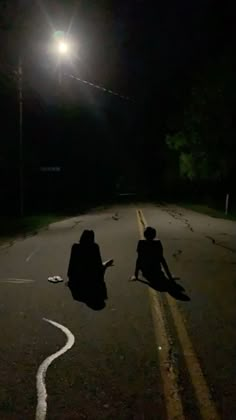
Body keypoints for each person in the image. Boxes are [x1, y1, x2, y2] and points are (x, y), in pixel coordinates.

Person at [67, 229, 113, 303]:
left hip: (76, 278)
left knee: (99, 267)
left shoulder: (75, 247)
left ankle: (105, 264)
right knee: (102, 267)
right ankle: (106, 265)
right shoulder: (94, 247)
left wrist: (70, 277)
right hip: (91, 278)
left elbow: (71, 263)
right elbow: (98, 265)